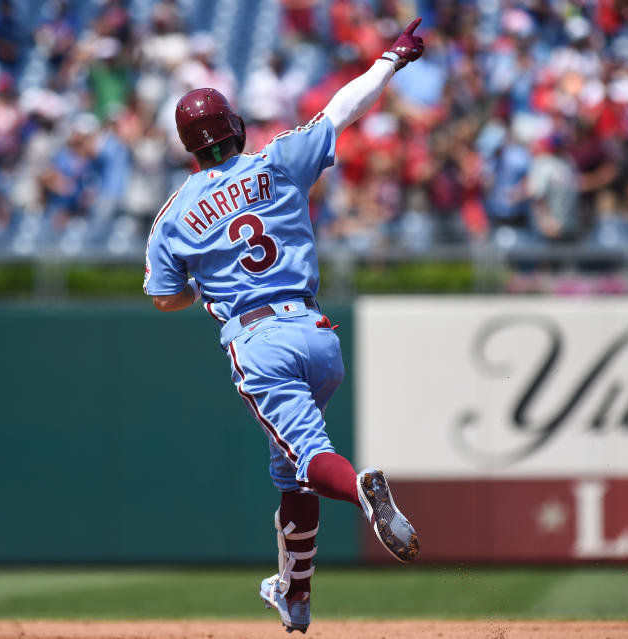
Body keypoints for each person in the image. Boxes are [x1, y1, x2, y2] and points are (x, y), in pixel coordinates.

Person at [143, 18, 425, 635]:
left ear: (189, 146)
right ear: (233, 129)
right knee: (291, 469)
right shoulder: (276, 161)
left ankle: (363, 492)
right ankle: (294, 598)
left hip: (258, 342)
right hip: (317, 334)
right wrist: (392, 59)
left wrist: (199, 286)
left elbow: (165, 298)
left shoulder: (174, 214)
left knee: (312, 456)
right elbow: (342, 109)